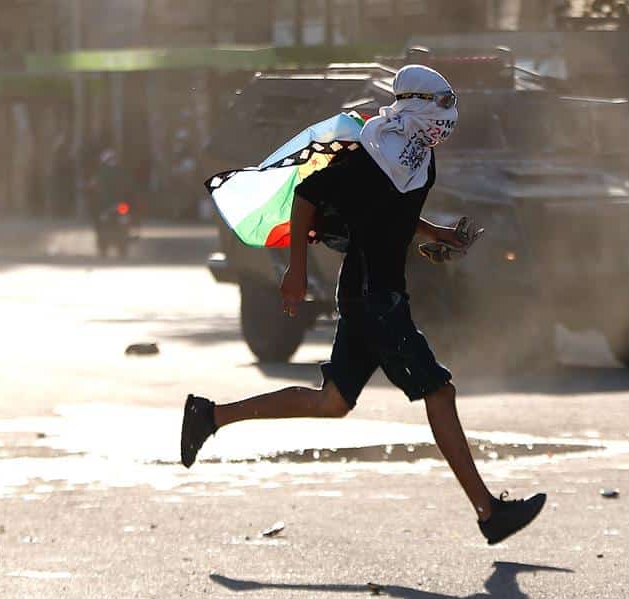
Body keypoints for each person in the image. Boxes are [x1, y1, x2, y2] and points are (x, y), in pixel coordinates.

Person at [180, 65, 546, 545]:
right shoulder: (372, 154)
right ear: (412, 104)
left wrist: (436, 236)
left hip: (374, 293)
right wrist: (294, 270)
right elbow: (308, 197)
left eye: (448, 105)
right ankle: (488, 511)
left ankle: (209, 416)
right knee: (440, 392)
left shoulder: (419, 158)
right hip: (374, 297)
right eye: (439, 105)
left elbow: (396, 212)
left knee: (332, 402)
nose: (447, 116)